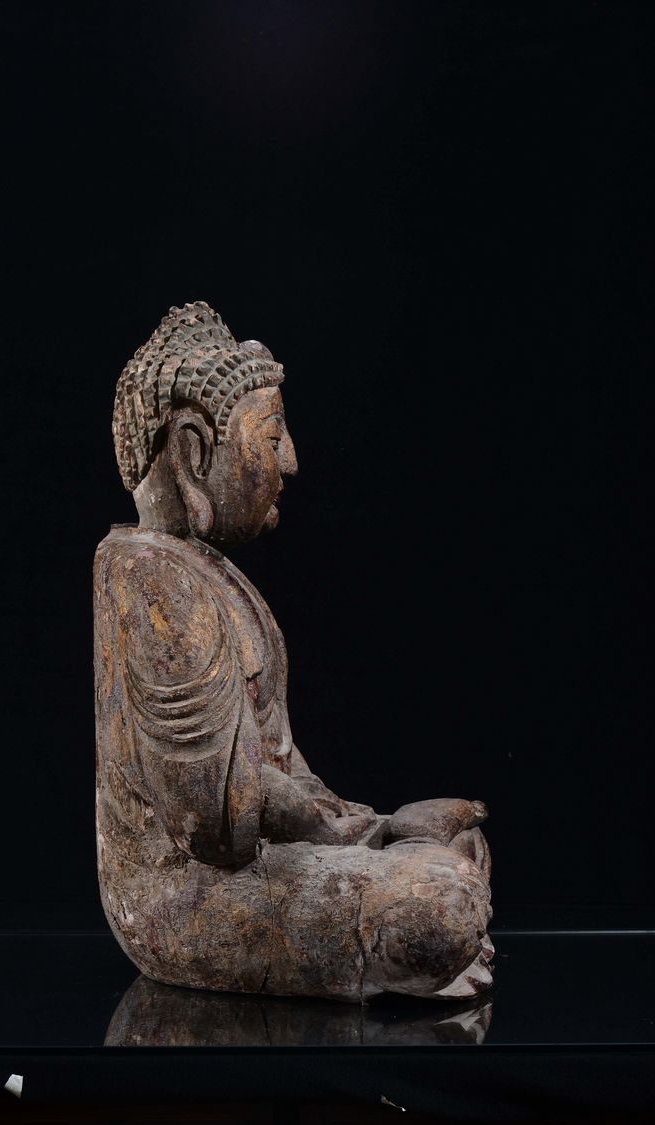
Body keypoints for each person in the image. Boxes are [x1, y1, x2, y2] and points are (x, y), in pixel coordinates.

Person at [94, 301, 493, 1002]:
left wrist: (361, 828)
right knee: (438, 906)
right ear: (192, 451)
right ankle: (419, 944)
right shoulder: (151, 578)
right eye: (271, 436)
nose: (290, 461)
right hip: (184, 897)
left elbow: (276, 765)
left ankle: (416, 916)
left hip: (260, 859)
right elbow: (209, 821)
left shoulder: (206, 573)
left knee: (452, 856)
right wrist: (340, 832)